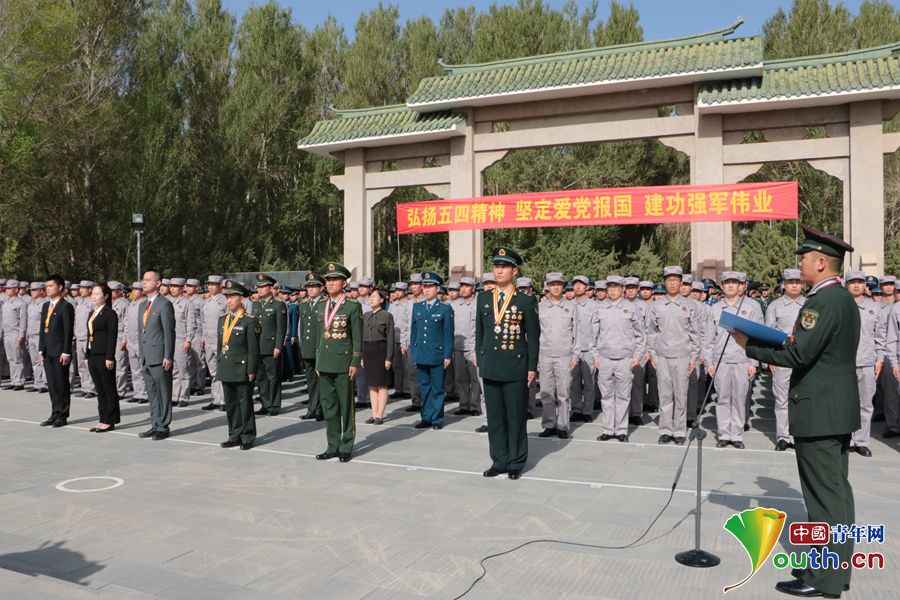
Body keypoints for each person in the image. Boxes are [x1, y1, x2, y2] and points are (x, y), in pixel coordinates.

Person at [733, 225, 859, 599]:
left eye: (804, 258)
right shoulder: (841, 299)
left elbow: (798, 353)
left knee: (824, 499)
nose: (799, 264)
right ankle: (832, 568)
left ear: (821, 263)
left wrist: (749, 344)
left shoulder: (823, 302)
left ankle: (825, 579)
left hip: (819, 411)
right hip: (834, 409)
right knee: (836, 494)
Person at [476, 247, 540, 480]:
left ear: (514, 271)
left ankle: (515, 461)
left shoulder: (525, 300)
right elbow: (480, 334)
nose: (499, 270)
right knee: (495, 418)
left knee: (515, 417)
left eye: (504, 267)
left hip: (515, 366)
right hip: (491, 366)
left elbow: (533, 336)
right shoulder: (484, 298)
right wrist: (481, 360)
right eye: (496, 266)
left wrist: (532, 367)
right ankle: (498, 460)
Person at [703, 272, 763, 449]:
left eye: (734, 283)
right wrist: (709, 363)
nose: (730, 286)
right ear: (722, 286)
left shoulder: (751, 307)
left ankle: (736, 434)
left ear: (740, 286)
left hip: (742, 359)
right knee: (722, 398)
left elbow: (757, 337)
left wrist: (754, 363)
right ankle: (723, 434)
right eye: (727, 282)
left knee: (739, 398)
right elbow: (708, 339)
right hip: (721, 360)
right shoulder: (715, 308)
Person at [646, 266, 701, 445]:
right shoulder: (656, 306)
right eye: (669, 280)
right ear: (665, 282)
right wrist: (653, 355)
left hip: (683, 356)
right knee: (665, 395)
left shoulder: (690, 305)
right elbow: (651, 332)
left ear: (681, 282)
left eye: (675, 280)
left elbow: (695, 334)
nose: (672, 283)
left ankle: (679, 431)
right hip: (662, 357)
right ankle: (665, 430)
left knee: (681, 395)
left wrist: (693, 357)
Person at [314, 262, 362, 463]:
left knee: (346, 407)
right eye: (328, 280)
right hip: (325, 363)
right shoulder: (321, 306)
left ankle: (346, 445)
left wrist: (355, 362)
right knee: (329, 407)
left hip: (343, 363)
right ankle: (332, 445)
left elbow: (357, 337)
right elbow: (320, 337)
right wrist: (318, 362)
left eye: (335, 279)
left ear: (344, 282)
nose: (331, 283)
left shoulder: (352, 306)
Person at [594, 275, 645, 443]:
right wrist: (595, 356)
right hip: (605, 359)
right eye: (610, 287)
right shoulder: (599, 308)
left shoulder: (632, 308)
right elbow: (593, 335)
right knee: (606, 396)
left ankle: (621, 430)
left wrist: (637, 356)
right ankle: (608, 429)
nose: (612, 290)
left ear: (623, 289)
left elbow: (640, 335)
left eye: (616, 287)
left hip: (625, 359)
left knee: (623, 396)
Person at [844, 270, 886, 457]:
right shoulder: (841, 305)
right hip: (843, 364)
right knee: (844, 404)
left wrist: (880, 359)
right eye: (852, 282)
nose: (856, 285)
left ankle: (861, 441)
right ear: (846, 285)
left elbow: (880, 336)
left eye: (860, 282)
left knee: (866, 404)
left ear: (865, 285)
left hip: (867, 362)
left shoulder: (874, 308)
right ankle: (846, 439)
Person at [765, 268, 805, 451]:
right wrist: (770, 359)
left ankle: (798, 435)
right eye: (790, 282)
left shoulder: (810, 304)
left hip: (804, 359)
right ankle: (783, 436)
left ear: (802, 284)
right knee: (781, 399)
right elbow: (768, 334)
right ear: (784, 284)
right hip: (782, 358)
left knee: (801, 399)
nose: (794, 285)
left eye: (797, 282)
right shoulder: (775, 306)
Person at [217, 280, 260, 450]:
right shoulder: (223, 320)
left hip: (242, 368)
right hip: (227, 367)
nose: (229, 300)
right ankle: (234, 434)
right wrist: (220, 364)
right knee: (231, 404)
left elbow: (253, 348)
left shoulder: (249, 321)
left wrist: (251, 368)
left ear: (241, 299)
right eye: (227, 297)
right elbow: (221, 345)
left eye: (232, 297)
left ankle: (248, 435)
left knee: (245, 403)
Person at [409, 272, 454, 430]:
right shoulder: (417, 307)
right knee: (424, 387)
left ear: (437, 288)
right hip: (421, 354)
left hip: (437, 354)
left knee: (437, 388)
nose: (426, 290)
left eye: (430, 287)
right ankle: (426, 417)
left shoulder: (445, 309)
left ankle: (437, 419)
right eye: (425, 286)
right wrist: (414, 351)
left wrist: (447, 355)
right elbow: (414, 332)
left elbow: (448, 334)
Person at [137, 270, 176, 441]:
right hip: (146, 356)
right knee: (152, 394)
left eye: (148, 280)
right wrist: (141, 354)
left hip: (160, 356)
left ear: (158, 283)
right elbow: (142, 332)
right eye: (143, 280)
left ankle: (163, 426)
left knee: (163, 393)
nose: (144, 282)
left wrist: (168, 355)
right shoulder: (142, 305)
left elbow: (169, 333)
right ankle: (155, 423)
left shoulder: (164, 304)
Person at [537, 272, 576, 439]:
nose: (555, 287)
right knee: (546, 392)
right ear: (547, 287)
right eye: (552, 284)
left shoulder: (571, 307)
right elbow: (535, 333)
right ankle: (549, 424)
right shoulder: (541, 307)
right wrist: (536, 358)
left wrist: (575, 356)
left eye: (558, 284)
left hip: (564, 356)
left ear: (563, 286)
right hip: (545, 355)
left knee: (564, 393)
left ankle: (562, 425)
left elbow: (577, 333)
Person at [38, 275, 75, 427]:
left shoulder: (66, 306)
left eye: (51, 286)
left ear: (60, 287)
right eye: (46, 286)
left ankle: (63, 415)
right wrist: (41, 349)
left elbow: (68, 331)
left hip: (60, 351)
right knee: (52, 384)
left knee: (61, 383)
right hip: (48, 351)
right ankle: (54, 413)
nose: (47, 288)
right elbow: (43, 329)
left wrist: (66, 351)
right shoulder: (46, 305)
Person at [84, 283, 121, 432]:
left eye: (97, 294)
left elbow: (112, 337)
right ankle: (102, 418)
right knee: (100, 389)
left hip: (104, 355)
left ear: (105, 296)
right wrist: (87, 355)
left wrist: (109, 357)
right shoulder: (92, 313)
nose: (94, 296)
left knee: (108, 388)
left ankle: (110, 420)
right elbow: (89, 335)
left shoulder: (109, 313)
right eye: (93, 293)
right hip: (93, 354)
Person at [252, 273, 287, 416]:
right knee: (261, 378)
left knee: (273, 377)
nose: (260, 289)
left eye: (263, 286)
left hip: (271, 347)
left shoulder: (278, 304)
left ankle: (274, 404)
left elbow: (281, 329)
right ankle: (265, 403)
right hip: (258, 347)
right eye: (258, 287)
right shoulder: (255, 304)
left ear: (270, 288)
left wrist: (278, 346)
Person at [362, 287, 394, 425]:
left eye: (374, 297)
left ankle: (380, 415)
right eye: (370, 297)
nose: (371, 299)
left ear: (381, 300)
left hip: (381, 350)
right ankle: (374, 414)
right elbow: (362, 337)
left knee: (381, 385)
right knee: (372, 385)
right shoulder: (366, 315)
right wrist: (361, 356)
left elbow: (390, 338)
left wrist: (389, 358)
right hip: (368, 350)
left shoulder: (387, 316)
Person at [451, 277, 481, 417]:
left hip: (473, 347)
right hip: (458, 346)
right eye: (461, 286)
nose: (463, 289)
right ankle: (463, 404)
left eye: (467, 286)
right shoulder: (454, 305)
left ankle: (475, 405)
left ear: (473, 288)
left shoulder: (478, 304)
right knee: (461, 378)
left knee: (475, 379)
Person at [199, 275, 228, 411]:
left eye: (213, 284)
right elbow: (203, 322)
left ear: (220, 286)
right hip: (209, 341)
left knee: (223, 371)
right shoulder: (206, 302)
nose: (210, 287)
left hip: (220, 340)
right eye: (209, 284)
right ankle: (216, 399)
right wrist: (203, 338)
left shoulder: (225, 301)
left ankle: (224, 400)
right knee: (213, 372)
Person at [168, 278, 198, 408]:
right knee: (174, 370)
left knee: (184, 369)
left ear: (181, 288)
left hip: (181, 340)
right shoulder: (169, 302)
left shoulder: (187, 303)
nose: (172, 288)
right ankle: (175, 396)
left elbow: (192, 323)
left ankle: (184, 397)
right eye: (171, 286)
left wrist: (188, 340)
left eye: (175, 286)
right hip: (170, 340)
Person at [299, 272, 325, 420]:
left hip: (320, 348)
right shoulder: (304, 304)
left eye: (314, 286)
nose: (310, 289)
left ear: (321, 288)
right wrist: (302, 344)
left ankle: (322, 409)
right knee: (311, 381)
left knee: (322, 380)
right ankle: (312, 408)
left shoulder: (325, 303)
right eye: (308, 286)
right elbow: (302, 327)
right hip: (308, 348)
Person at [123, 282, 148, 403]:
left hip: (141, 340)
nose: (134, 291)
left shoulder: (146, 303)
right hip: (131, 340)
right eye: (133, 289)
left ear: (143, 291)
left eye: (137, 289)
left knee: (143, 368)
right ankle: (138, 393)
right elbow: (126, 323)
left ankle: (145, 394)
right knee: (135, 369)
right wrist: (126, 339)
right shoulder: (131, 304)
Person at [1, 280, 27, 391]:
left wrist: (21, 335)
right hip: (7, 334)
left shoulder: (21, 303)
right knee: (10, 359)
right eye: (6, 288)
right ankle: (13, 380)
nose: (6, 290)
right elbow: (2, 320)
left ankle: (19, 381)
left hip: (15, 334)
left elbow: (23, 321)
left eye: (9, 288)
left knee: (17, 358)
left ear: (16, 290)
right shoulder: (5, 303)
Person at [25, 282, 48, 393]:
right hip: (31, 335)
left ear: (41, 291)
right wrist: (27, 336)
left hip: (40, 336)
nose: (32, 292)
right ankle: (37, 383)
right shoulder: (31, 305)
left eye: (34, 290)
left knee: (42, 360)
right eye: (31, 290)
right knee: (34, 361)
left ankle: (45, 383)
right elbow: (28, 322)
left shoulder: (46, 304)